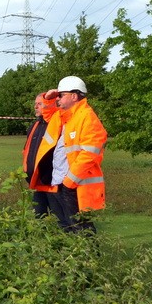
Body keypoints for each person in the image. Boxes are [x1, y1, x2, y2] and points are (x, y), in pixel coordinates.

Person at [40, 76, 107, 234]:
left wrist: (69, 181)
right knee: (66, 226)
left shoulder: (86, 117)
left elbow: (90, 153)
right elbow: (48, 115)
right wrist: (48, 99)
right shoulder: (65, 116)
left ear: (74, 96)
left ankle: (90, 258)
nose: (58, 99)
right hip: (59, 182)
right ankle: (73, 257)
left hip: (74, 185)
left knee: (81, 228)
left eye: (61, 95)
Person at [22, 91, 59, 218]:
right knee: (39, 218)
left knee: (60, 219)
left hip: (52, 182)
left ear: (49, 105)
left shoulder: (56, 123)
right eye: (35, 104)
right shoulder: (35, 125)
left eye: (39, 104)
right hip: (36, 181)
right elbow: (27, 151)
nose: (35, 107)